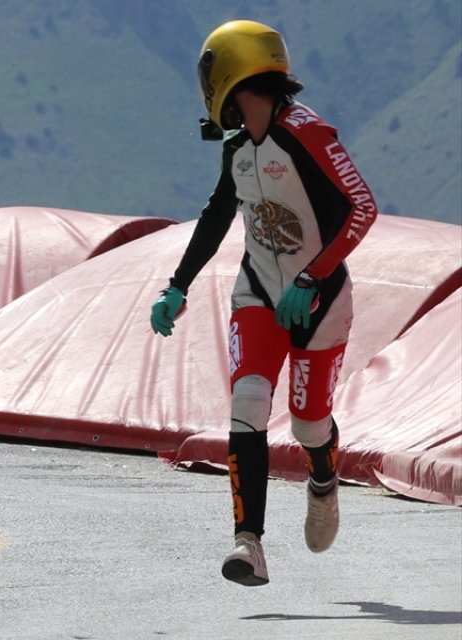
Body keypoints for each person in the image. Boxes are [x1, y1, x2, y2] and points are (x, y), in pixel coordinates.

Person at [150, 20, 377, 586]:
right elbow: (216, 217)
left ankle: (323, 480)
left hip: (319, 299)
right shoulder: (235, 149)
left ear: (226, 73)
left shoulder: (307, 132)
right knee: (247, 400)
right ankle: (247, 542)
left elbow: (362, 208)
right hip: (255, 291)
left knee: (307, 424)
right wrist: (176, 285)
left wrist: (313, 278)